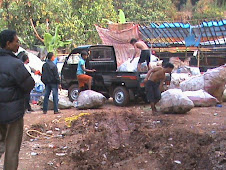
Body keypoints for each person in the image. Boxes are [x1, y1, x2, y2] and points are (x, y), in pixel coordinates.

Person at [0, 30, 35, 170]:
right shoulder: (15, 64)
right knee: (12, 149)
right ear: (8, 44)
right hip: (13, 114)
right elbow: (29, 84)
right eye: (16, 41)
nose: (18, 44)